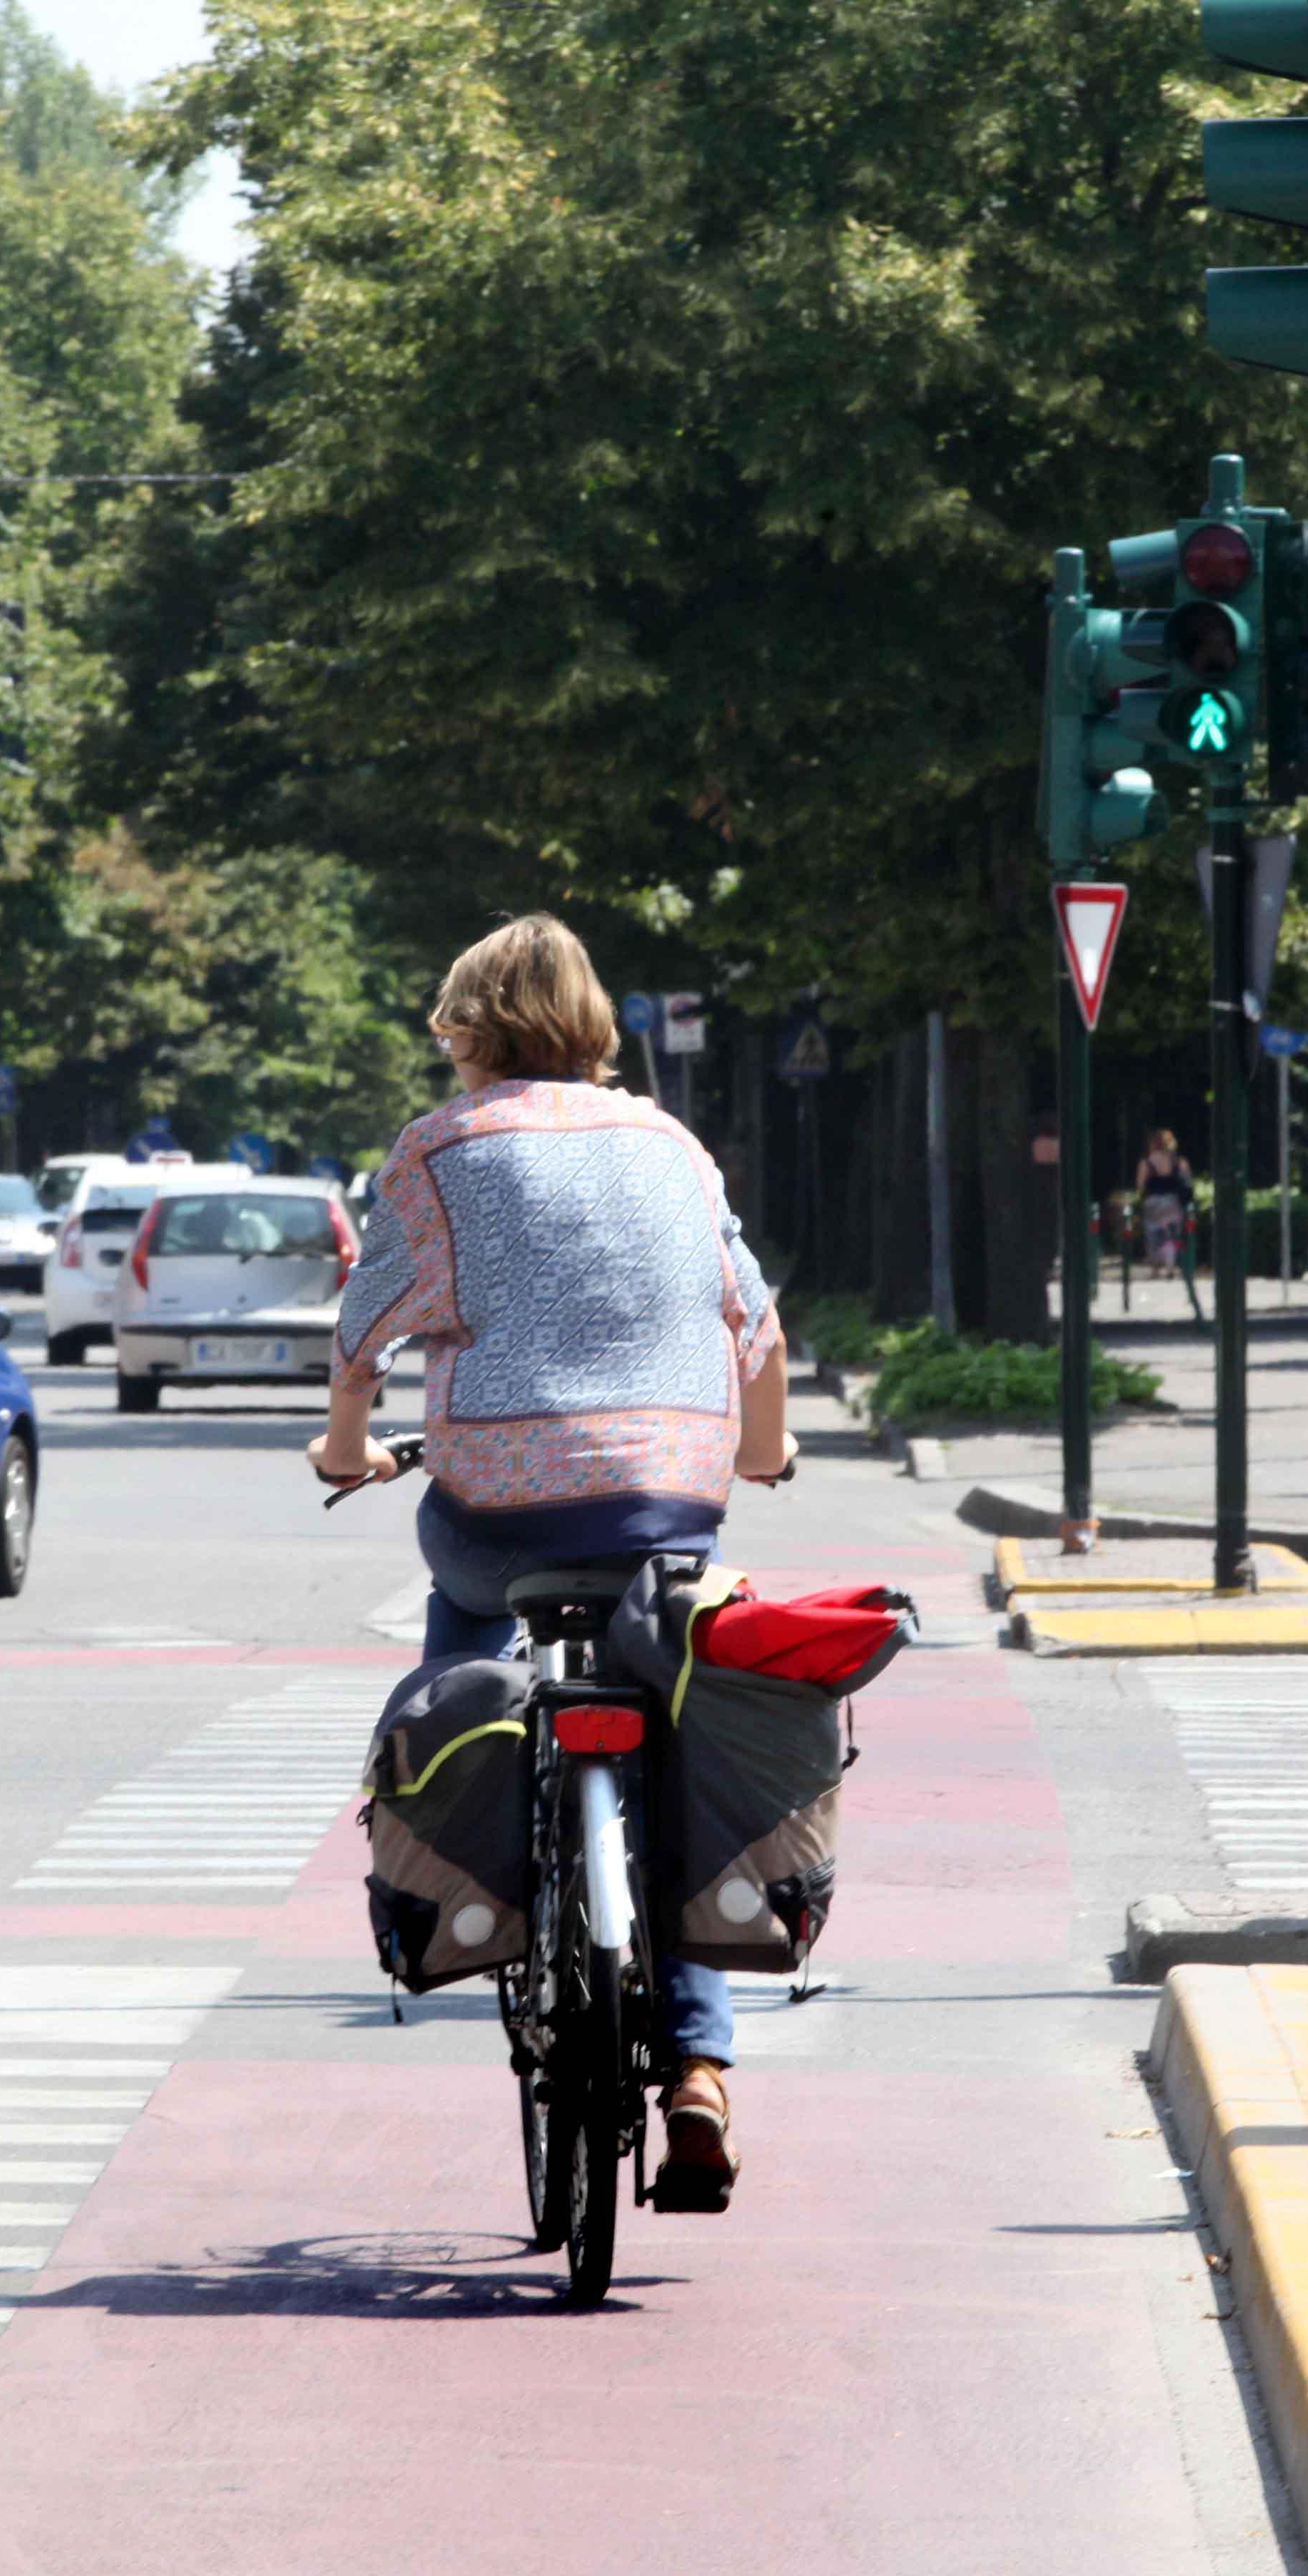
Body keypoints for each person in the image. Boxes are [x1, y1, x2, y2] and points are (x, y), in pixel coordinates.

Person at [308, 914, 797, 2210]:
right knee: (673, 1722)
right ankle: (699, 2068)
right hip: (666, 1506)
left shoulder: (440, 1150)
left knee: (461, 1620)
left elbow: (364, 1328)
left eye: (448, 1027)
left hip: (502, 1511)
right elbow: (753, 1320)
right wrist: (764, 1451)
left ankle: (465, 1848)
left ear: (470, 1031)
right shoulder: (673, 1144)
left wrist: (341, 1443)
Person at [1133, 1127, 1200, 1316]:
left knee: (1155, 1233)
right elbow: (1188, 1182)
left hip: (1154, 1203)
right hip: (1174, 1203)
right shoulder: (1179, 1161)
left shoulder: (1147, 1162)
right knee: (1173, 1234)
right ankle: (1171, 1265)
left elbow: (1140, 1185)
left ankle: (1157, 1265)